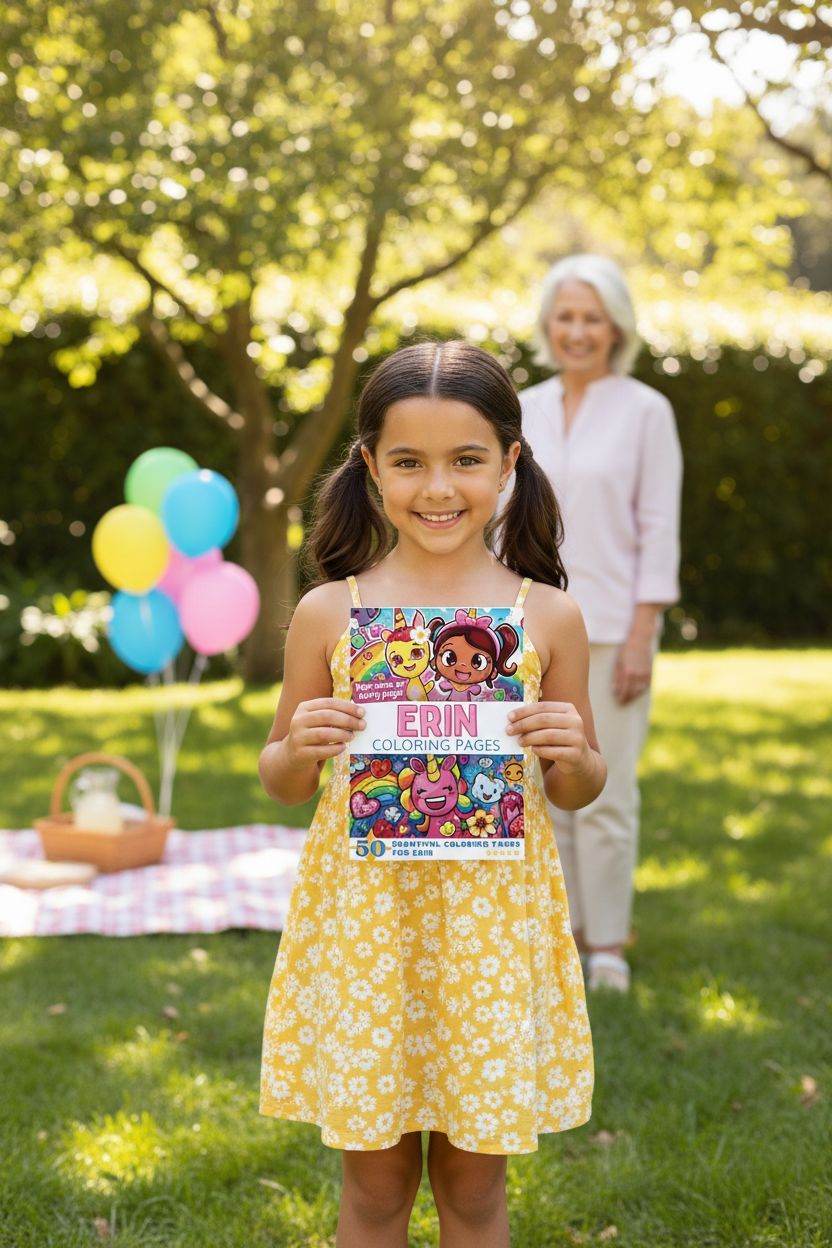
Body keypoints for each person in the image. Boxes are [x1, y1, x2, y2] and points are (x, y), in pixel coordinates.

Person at [258, 340, 606, 1248]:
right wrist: (301, 745)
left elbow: (579, 786)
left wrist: (570, 750)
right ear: (370, 466)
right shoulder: (332, 612)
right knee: (373, 1193)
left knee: (474, 1192)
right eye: (408, 461)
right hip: (370, 931)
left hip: (489, 936)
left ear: (510, 465)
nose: (438, 486)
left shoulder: (545, 616)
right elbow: (282, 777)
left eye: (466, 459)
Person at [517, 254, 683, 994]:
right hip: (529, 629)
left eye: (591, 317)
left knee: (605, 792)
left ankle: (608, 946)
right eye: (566, 317)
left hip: (614, 628)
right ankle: (565, 938)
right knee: (539, 788)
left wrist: (643, 635)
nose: (578, 331)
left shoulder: (646, 410)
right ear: (549, 326)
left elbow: (658, 527)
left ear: (615, 326)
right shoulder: (522, 406)